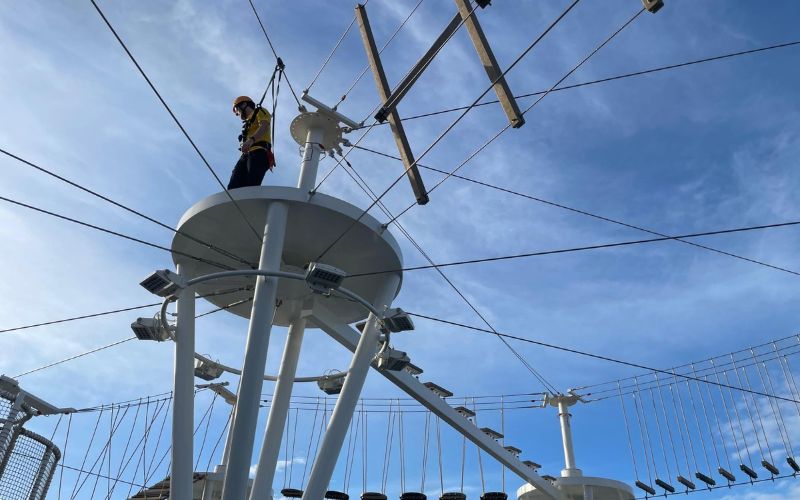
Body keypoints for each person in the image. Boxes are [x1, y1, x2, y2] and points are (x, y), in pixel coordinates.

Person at [227, 96, 276, 189]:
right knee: (233, 187)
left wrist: (251, 140)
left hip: (259, 152)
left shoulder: (260, 111)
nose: (237, 113)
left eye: (237, 109)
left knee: (251, 185)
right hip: (246, 155)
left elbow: (264, 126)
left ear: (244, 104)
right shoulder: (248, 123)